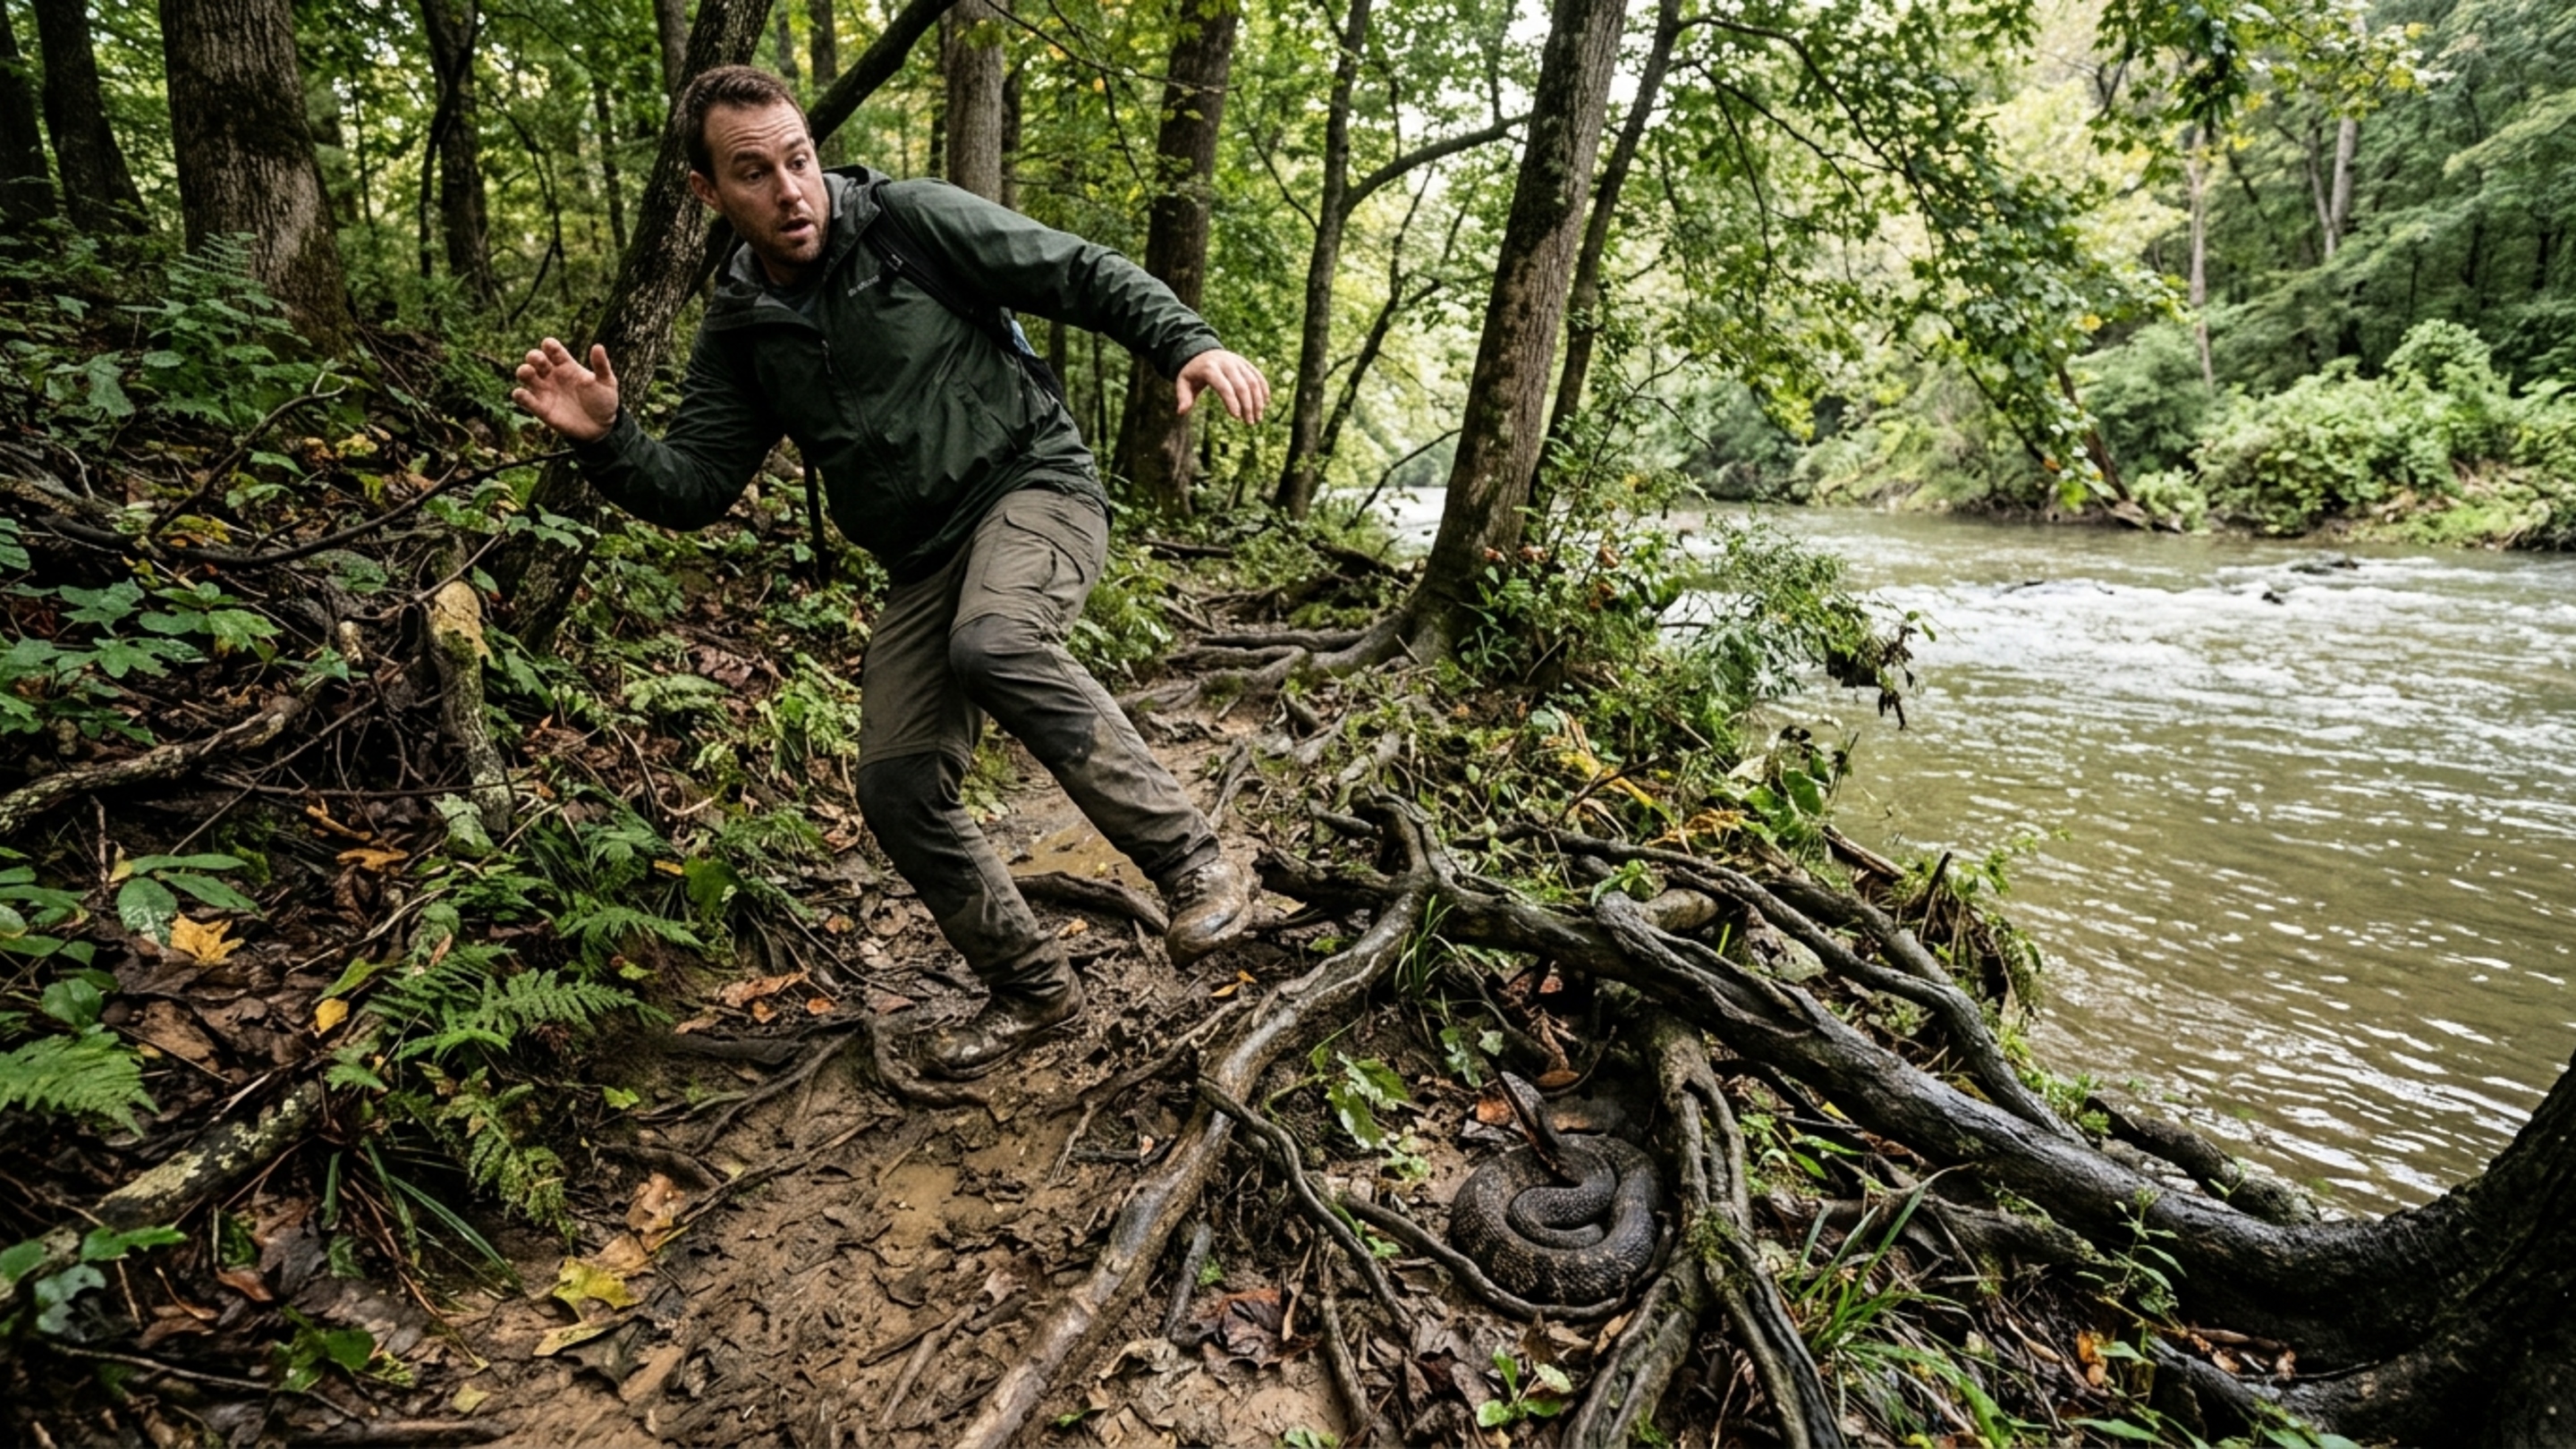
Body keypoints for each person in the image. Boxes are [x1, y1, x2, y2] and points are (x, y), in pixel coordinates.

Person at [510, 64, 1266, 1079]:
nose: (790, 191)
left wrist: (1187, 343)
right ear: (707, 192)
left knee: (996, 641)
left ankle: (1193, 863)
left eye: (799, 159)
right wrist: (609, 440)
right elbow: (697, 486)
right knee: (896, 784)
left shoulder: (910, 220)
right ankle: (1032, 991)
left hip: (1033, 484)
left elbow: (1076, 270)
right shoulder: (741, 324)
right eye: (754, 174)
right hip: (922, 558)